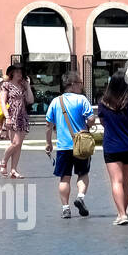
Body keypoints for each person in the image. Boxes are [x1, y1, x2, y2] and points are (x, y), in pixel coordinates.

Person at [96, 73, 128, 226]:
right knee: (127, 183)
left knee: (116, 181)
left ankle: (122, 213)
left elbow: (103, 122)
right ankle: (123, 211)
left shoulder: (103, 103)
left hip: (111, 146)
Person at [45, 70, 96, 219]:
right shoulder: (81, 100)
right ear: (72, 84)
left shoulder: (56, 101)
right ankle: (80, 197)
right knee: (83, 173)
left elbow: (48, 125)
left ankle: (66, 208)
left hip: (63, 146)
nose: (81, 86)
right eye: (80, 83)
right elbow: (91, 118)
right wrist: (87, 126)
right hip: (80, 145)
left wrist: (48, 143)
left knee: (64, 177)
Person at [0, 65, 33, 180]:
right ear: (11, 73)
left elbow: (30, 100)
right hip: (12, 115)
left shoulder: (23, 86)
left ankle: (14, 169)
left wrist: (28, 86)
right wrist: (7, 117)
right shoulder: (6, 85)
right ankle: (3, 161)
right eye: (17, 71)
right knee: (15, 143)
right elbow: (2, 102)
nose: (19, 74)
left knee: (19, 145)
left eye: (21, 72)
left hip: (22, 116)